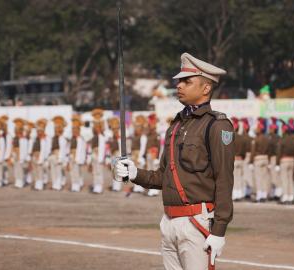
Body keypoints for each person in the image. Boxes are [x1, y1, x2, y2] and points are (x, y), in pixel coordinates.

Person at [115, 53, 234, 269]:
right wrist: (135, 174)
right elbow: (163, 176)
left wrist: (219, 230)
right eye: (179, 81)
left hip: (196, 222)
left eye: (187, 81)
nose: (179, 85)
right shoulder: (177, 125)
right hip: (169, 221)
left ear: (206, 88)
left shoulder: (216, 126)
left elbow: (224, 179)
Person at [277, 119, 294, 204]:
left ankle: (285, 196)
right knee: (290, 179)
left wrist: (277, 163)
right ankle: (291, 196)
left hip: (284, 160)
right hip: (292, 160)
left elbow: (279, 152)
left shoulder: (282, 140)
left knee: (285, 179)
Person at [89, 109, 108, 194]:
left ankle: (99, 185)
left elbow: (103, 148)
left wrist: (101, 158)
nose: (96, 129)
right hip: (94, 154)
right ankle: (96, 184)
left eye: (98, 127)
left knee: (99, 171)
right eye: (95, 127)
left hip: (99, 155)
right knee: (94, 171)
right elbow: (90, 147)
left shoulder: (102, 136)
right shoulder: (93, 136)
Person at [251, 117, 270, 202]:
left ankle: (259, 196)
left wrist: (251, 162)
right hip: (265, 158)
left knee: (258, 178)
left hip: (258, 159)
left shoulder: (256, 139)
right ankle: (264, 195)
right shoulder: (267, 138)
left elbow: (253, 150)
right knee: (264, 177)